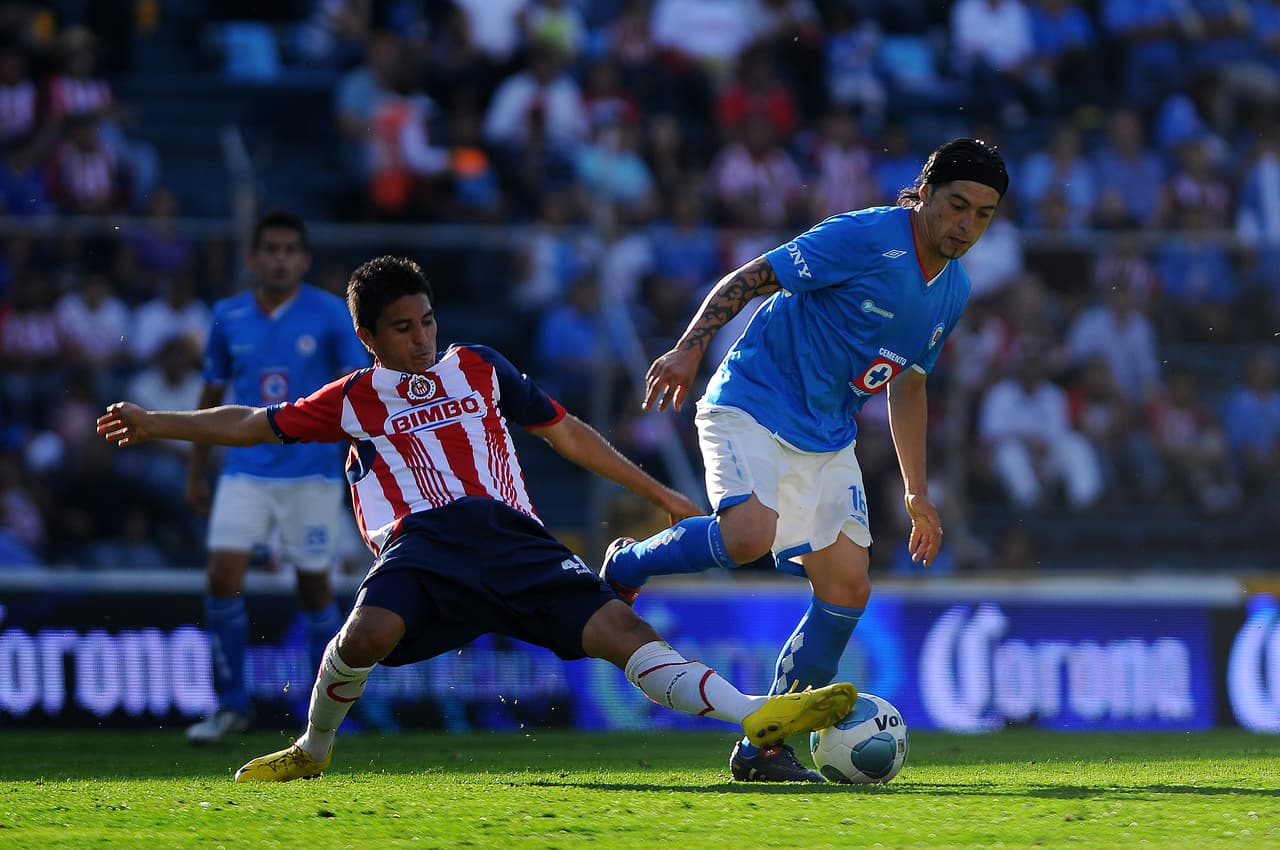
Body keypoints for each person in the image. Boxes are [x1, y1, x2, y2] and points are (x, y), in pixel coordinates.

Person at [96, 255, 857, 782]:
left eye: (427, 321)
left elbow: (566, 432)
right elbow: (253, 422)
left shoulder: (481, 367)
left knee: (625, 636)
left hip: (513, 537)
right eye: (403, 328)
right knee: (363, 637)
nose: (422, 337)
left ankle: (756, 713)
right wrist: (158, 422)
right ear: (369, 338)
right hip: (423, 543)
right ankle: (313, 746)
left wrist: (659, 492)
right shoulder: (356, 398)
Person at [600, 138, 1008, 782]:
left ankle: (764, 746)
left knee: (847, 588)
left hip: (826, 437)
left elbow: (909, 384)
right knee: (747, 534)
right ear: (925, 193)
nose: (966, 225)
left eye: (983, 215)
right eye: (957, 205)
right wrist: (687, 349)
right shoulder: (867, 236)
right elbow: (753, 276)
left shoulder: (952, 290)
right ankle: (627, 563)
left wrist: (917, 491)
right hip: (751, 403)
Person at [183, 209, 372, 744]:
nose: (281, 258)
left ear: (304, 260)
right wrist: (198, 471)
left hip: (311, 472)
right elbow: (210, 396)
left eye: (291, 250)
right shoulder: (228, 315)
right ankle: (232, 708)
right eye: (271, 249)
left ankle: (325, 718)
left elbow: (359, 392)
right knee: (222, 574)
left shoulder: (332, 315)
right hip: (245, 470)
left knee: (313, 588)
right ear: (253, 258)